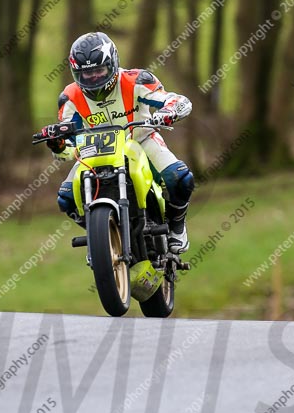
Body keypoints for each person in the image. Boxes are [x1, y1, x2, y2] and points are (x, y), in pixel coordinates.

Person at [42, 31, 194, 253]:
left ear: (113, 63)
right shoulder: (69, 97)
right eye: (86, 75)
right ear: (75, 73)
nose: (93, 79)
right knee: (66, 199)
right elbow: (68, 150)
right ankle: (104, 237)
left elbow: (177, 101)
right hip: (93, 151)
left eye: (99, 71)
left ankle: (176, 227)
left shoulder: (137, 80)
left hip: (141, 140)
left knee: (180, 179)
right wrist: (57, 145)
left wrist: (169, 111)